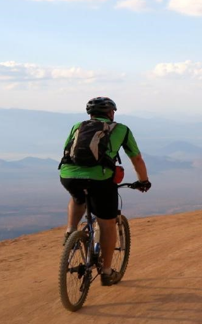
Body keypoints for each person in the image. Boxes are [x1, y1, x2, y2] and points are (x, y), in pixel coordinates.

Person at [59, 96, 151, 286]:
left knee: (78, 197)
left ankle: (70, 230)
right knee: (107, 224)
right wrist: (143, 181)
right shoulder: (122, 129)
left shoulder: (77, 125)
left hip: (68, 175)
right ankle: (107, 273)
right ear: (111, 113)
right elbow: (137, 159)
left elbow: (67, 151)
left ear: (90, 114)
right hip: (100, 179)